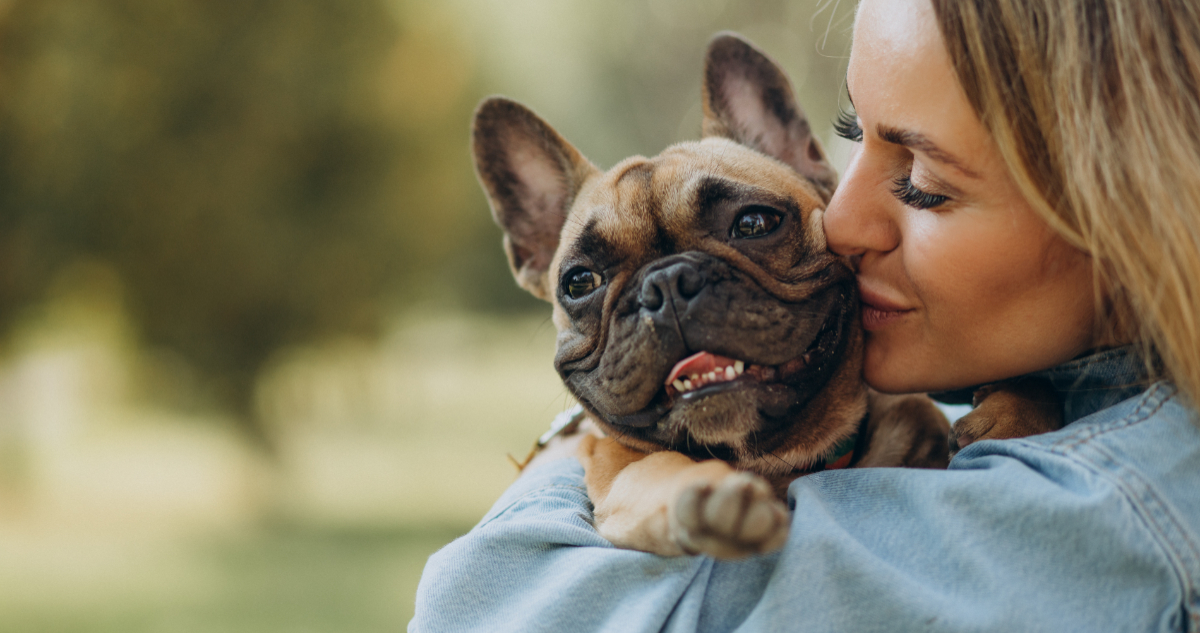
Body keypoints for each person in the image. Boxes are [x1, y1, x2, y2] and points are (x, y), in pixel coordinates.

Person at [411, 0, 1200, 630]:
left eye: (924, 178)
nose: (840, 219)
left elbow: (474, 612)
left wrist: (569, 457)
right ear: (534, 251)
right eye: (851, 136)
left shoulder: (1111, 506)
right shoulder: (996, 395)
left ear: (1122, 201)